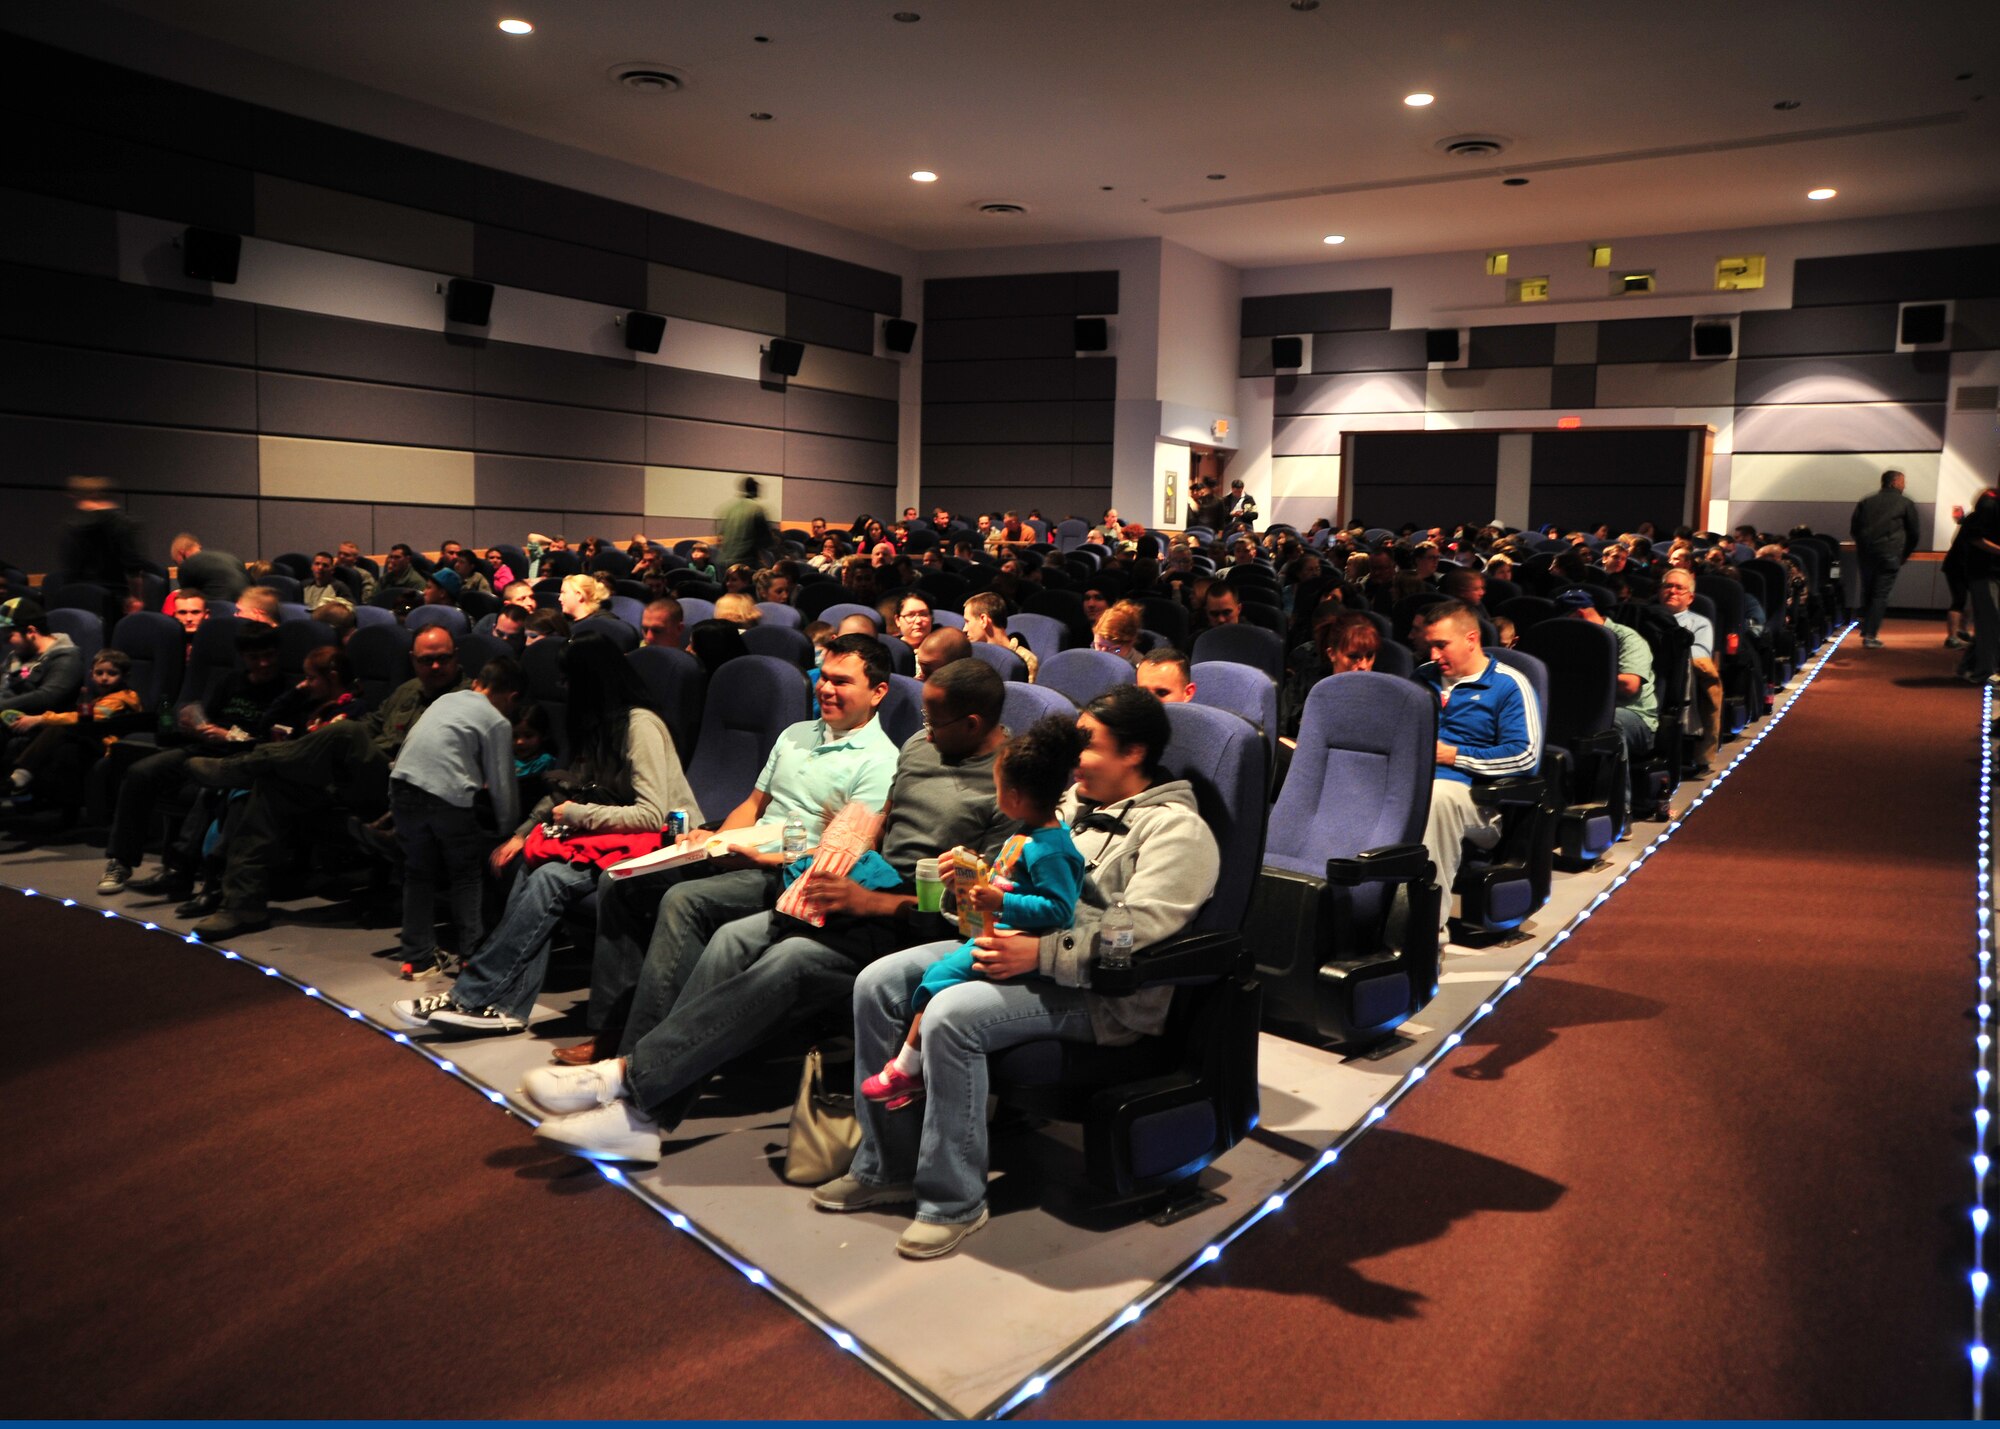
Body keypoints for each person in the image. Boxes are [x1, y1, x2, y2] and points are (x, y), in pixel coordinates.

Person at [523, 657, 1025, 1149]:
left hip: (909, 929)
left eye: (934, 720)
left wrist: (866, 900)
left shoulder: (1009, 787)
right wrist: (837, 858)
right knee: (729, 938)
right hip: (856, 892)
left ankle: (629, 1086)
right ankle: (641, 1111)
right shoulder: (921, 746)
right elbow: (880, 821)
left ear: (974, 722)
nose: (924, 730)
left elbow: (970, 914)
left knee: (790, 958)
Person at [812, 685, 1218, 1259]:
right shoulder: (1069, 808)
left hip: (1101, 994)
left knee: (951, 1015)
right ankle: (887, 1165)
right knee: (877, 982)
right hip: (1012, 952)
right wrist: (974, 882)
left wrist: (1042, 955)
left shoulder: (1177, 832)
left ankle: (952, 1201)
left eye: (1090, 745)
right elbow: (1017, 891)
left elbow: (1136, 937)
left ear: (1135, 753)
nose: (1074, 758)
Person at [578, 633, 901, 1055]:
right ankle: (611, 1027)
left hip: (791, 872)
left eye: (842, 682)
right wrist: (716, 840)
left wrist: (762, 858)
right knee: (619, 882)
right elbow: (752, 804)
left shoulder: (880, 760)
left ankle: (641, 1053)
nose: (825, 688)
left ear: (878, 692)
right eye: (824, 678)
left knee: (682, 901)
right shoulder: (796, 733)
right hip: (745, 850)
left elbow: (845, 854)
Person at [393, 635, 701, 1032]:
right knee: (530, 864)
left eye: (569, 679)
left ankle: (471, 995)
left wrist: (578, 814)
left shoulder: (640, 725)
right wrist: (524, 833)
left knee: (550, 879)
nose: (564, 688)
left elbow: (652, 813)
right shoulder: (601, 727)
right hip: (617, 842)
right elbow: (570, 789)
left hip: (668, 843)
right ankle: (507, 1006)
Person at [860, 716, 1088, 1110]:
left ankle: (907, 1068)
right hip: (997, 930)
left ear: (1014, 796)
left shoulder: (1051, 848)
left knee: (939, 977)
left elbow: (1059, 909)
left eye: (998, 787)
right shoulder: (1028, 834)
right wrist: (975, 874)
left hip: (1021, 944)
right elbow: (1013, 881)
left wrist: (1001, 902)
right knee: (933, 974)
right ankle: (911, 1067)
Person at [182, 626, 468, 938]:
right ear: (413, 660)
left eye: (443, 659)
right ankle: (242, 905)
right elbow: (371, 724)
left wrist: (341, 737)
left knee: (346, 733)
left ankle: (244, 764)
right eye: (427, 660)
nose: (436, 667)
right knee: (274, 786)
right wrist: (326, 740)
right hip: (359, 776)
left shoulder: (467, 700)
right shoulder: (408, 691)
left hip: (405, 786)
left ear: (456, 657)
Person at [385, 656, 524, 984]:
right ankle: (471, 958)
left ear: (478, 682)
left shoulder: (446, 699)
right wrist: (509, 831)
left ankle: (416, 960)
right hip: (447, 797)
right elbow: (502, 786)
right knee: (465, 874)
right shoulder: (497, 721)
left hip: (401, 786)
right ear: (512, 697)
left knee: (418, 873)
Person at [1410, 601, 1537, 942]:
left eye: (1441, 645)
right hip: (1412, 789)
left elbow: (1525, 757)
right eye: (1430, 645)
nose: (1434, 655)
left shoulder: (1509, 685)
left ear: (1471, 639)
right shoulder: (1422, 679)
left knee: (1438, 798)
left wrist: (1455, 756)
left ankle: (1426, 935)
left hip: (1481, 803)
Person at [4, 648, 143, 807]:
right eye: (99, 673)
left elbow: (90, 719)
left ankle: (20, 777)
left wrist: (41, 718)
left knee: (61, 728)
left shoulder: (121, 698)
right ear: (91, 674)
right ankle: (23, 789)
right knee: (46, 735)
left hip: (108, 745)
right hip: (94, 737)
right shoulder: (99, 696)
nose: (104, 678)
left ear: (125, 677)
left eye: (112, 674)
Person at [1558, 588, 1656, 762]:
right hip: (1587, 710)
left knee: (1609, 727)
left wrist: (1581, 681)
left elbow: (1629, 685)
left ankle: (1616, 790)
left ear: (1580, 615)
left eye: (1566, 621)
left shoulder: (1627, 638)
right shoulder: (1573, 641)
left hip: (1633, 715)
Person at [1849, 468, 1920, 649]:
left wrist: (1864, 546)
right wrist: (1904, 554)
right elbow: (1914, 533)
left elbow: (1855, 529)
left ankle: (1866, 627)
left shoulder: (1866, 501)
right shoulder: (1906, 504)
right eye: (1903, 482)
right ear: (1895, 483)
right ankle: (1871, 635)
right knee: (1881, 594)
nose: (1905, 485)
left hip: (1866, 553)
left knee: (1868, 589)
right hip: (1890, 553)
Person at [1659, 569, 1720, 774]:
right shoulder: (1648, 615)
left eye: (1679, 588)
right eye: (1668, 586)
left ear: (1690, 597)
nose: (1672, 591)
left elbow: (1699, 655)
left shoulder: (1699, 623)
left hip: (1680, 675)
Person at [0, 600, 85, 718]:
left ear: (30, 631)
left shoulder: (67, 658)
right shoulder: (17, 654)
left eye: (8, 636)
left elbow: (48, 697)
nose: (5, 642)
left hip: (38, 729)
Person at [962, 592, 1038, 680]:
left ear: (983, 620)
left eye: (967, 622)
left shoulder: (1026, 661)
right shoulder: (971, 654)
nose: (964, 629)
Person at [717, 476, 775, 570]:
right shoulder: (757, 509)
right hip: (744, 564)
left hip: (723, 563)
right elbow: (766, 541)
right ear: (755, 490)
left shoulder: (729, 509)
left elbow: (720, 538)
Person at [170, 532, 248, 601]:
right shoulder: (230, 558)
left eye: (177, 562)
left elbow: (187, 598)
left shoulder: (187, 564)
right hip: (245, 602)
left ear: (181, 553)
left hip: (220, 605)